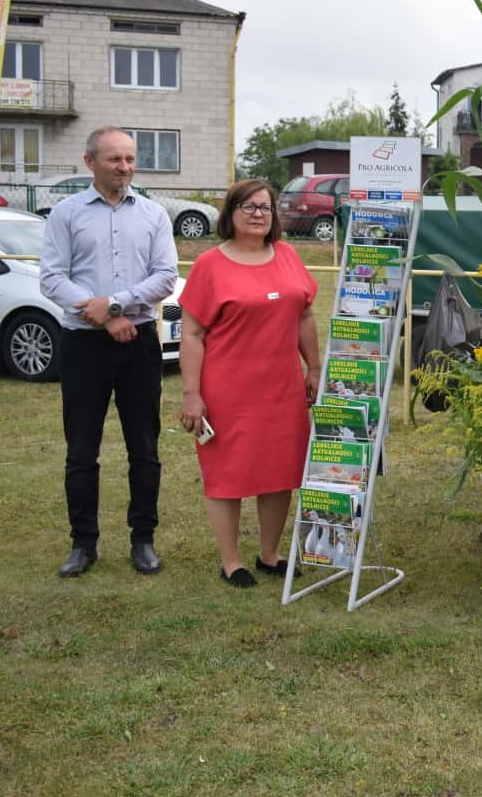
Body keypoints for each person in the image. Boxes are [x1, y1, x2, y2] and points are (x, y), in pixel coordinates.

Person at [40, 127, 179, 578]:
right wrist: (103, 316)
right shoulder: (66, 214)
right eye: (114, 159)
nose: (124, 167)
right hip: (83, 344)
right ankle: (83, 544)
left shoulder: (154, 215)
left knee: (144, 446)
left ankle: (143, 540)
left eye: (130, 159)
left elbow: (165, 277)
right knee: (82, 449)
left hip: (138, 344)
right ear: (90, 163)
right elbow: (53, 278)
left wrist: (115, 304)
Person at [178, 178, 320, 588]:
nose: (258, 214)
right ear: (231, 213)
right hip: (228, 390)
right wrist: (192, 394)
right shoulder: (209, 265)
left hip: (282, 387)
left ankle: (269, 553)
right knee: (228, 473)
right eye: (249, 207)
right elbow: (192, 335)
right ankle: (231, 562)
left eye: (266, 207)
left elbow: (305, 316)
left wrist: (313, 368)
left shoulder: (289, 255)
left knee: (279, 469)